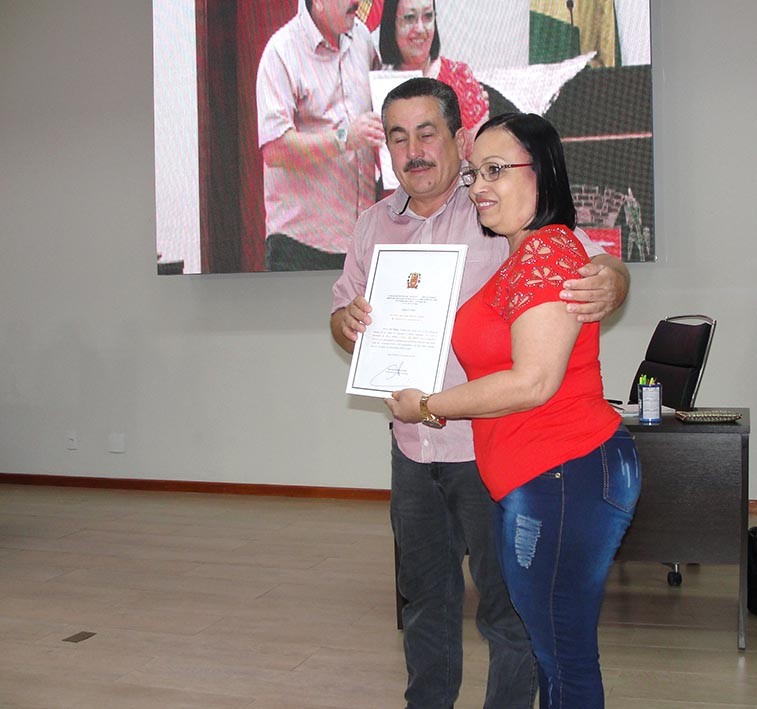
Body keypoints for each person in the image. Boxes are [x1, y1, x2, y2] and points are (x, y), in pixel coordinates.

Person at [331, 78, 629, 708]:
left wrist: (613, 280)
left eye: (427, 132)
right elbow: (340, 315)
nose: (413, 150)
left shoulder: (496, 206)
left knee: (509, 611)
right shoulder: (371, 225)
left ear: (458, 138)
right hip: (412, 449)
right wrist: (346, 322)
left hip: (488, 449)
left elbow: (586, 260)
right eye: (397, 136)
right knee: (424, 600)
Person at [256, 0, 385, 271]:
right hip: (301, 248)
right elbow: (276, 150)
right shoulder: (281, 52)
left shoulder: (362, 38)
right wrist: (345, 138)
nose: (357, 3)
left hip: (360, 244)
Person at [379, 0, 491, 156]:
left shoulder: (459, 77)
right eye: (410, 18)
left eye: (428, 16)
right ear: (392, 24)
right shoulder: (379, 86)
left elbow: (481, 156)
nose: (420, 29)